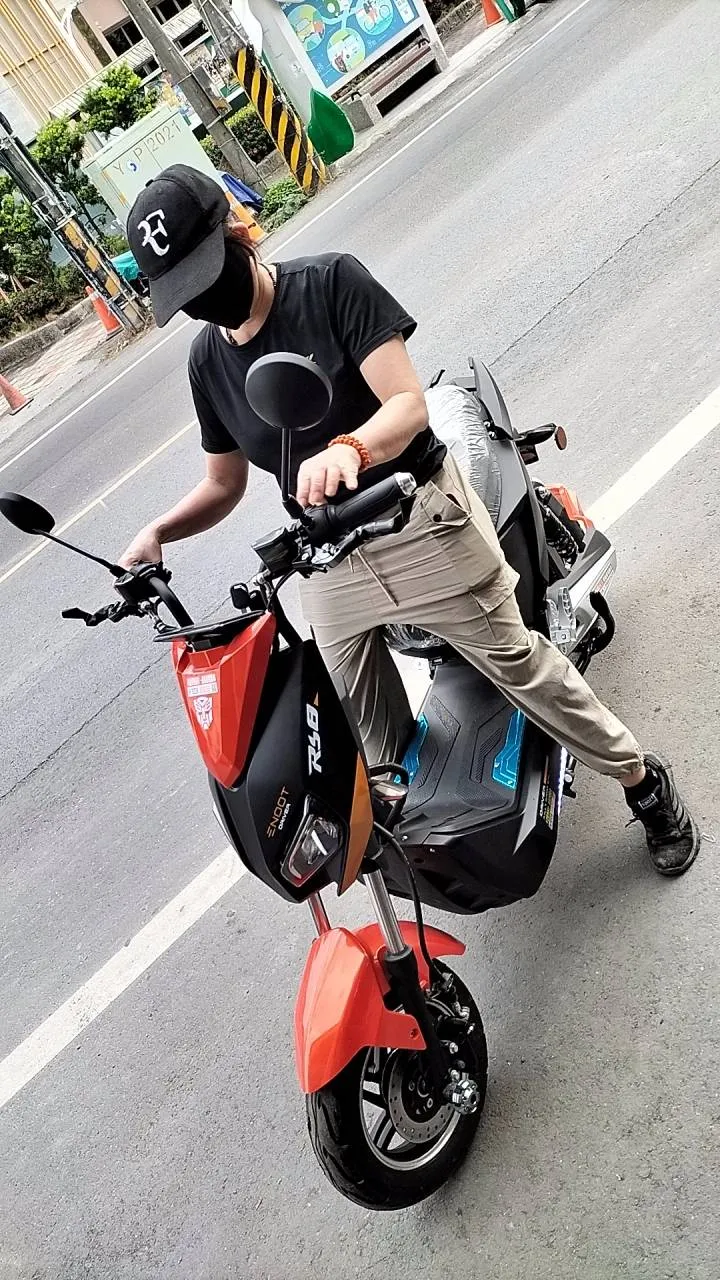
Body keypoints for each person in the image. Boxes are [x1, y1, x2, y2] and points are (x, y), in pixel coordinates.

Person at [123, 164, 700, 877]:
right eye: (186, 296)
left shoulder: (330, 283)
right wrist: (159, 532)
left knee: (520, 665)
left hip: (419, 519)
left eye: (207, 277)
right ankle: (436, 844)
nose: (206, 304)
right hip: (330, 559)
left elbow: (406, 404)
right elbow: (223, 482)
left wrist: (350, 449)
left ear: (237, 234)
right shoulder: (208, 361)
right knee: (357, 731)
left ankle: (643, 780)